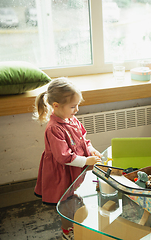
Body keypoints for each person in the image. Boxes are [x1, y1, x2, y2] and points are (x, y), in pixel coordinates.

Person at [33, 77, 102, 240]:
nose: (76, 109)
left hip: (74, 168)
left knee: (77, 199)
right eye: (73, 106)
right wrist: (86, 161)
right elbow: (63, 157)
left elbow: (83, 139)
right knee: (67, 205)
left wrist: (91, 150)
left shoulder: (71, 119)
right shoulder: (53, 129)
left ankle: (79, 222)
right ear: (56, 106)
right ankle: (67, 231)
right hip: (62, 173)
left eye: (77, 105)